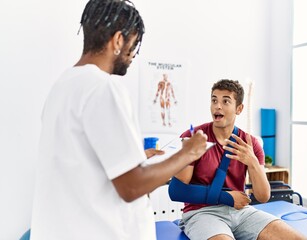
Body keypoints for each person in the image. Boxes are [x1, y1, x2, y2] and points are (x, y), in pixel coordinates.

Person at [29, 1, 208, 239]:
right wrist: (188, 153)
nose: (133, 55)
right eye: (133, 45)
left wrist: (134, 158)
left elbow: (80, 164)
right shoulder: (103, 89)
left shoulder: (62, 86)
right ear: (117, 41)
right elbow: (131, 187)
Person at [174, 79, 307, 240]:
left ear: (239, 108)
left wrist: (252, 162)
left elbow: (263, 196)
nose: (218, 106)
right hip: (202, 213)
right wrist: (226, 197)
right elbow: (177, 191)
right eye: (214, 100)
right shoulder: (193, 137)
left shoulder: (250, 143)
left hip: (242, 212)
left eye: (225, 101)